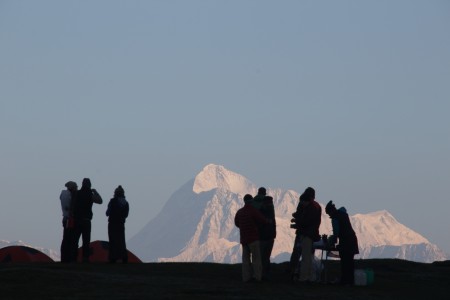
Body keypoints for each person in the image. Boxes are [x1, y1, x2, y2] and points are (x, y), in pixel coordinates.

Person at [234, 194, 269, 282]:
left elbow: (236, 223)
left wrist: (242, 227)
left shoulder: (240, 212)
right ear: (251, 201)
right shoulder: (253, 211)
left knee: (245, 260)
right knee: (256, 258)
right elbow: (262, 220)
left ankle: (246, 278)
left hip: (244, 239)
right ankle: (257, 277)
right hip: (253, 238)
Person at [325, 200, 359, 285]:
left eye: (329, 214)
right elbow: (343, 209)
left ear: (331, 212)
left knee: (345, 262)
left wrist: (331, 241)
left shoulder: (335, 218)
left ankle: (344, 281)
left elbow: (336, 233)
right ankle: (350, 281)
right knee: (350, 262)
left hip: (345, 242)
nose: (329, 216)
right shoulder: (343, 214)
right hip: (352, 239)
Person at [296, 187, 322, 283]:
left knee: (305, 257)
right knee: (309, 257)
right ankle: (311, 276)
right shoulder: (316, 206)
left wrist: (298, 221)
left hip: (307, 234)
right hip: (312, 234)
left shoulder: (311, 208)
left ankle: (304, 277)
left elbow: (307, 221)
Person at [73, 178, 103, 262]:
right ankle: (85, 258)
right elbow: (100, 201)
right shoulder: (90, 194)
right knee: (86, 240)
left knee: (75, 240)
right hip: (86, 220)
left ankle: (74, 257)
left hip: (77, 220)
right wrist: (95, 191)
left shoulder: (77, 193)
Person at [252, 187, 276, 280]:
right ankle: (265, 274)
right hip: (269, 235)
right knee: (266, 256)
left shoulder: (254, 203)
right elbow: (272, 220)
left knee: (258, 255)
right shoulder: (270, 205)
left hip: (259, 234)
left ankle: (257, 274)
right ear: (265, 193)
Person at [106, 185, 129, 263]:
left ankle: (113, 257)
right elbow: (126, 215)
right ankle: (123, 257)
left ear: (115, 193)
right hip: (121, 224)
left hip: (112, 223)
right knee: (121, 240)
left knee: (113, 240)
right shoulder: (126, 203)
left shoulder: (112, 201)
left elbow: (107, 212)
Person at [288, 193, 306, 280]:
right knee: (303, 253)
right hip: (305, 232)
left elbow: (302, 218)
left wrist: (296, 218)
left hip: (302, 232)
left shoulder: (304, 206)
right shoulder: (310, 206)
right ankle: (296, 270)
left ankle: (293, 270)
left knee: (297, 251)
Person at [60, 181, 77, 263]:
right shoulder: (71, 195)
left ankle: (64, 257)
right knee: (70, 238)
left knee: (65, 238)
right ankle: (69, 257)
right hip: (70, 219)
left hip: (65, 218)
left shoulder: (62, 194)